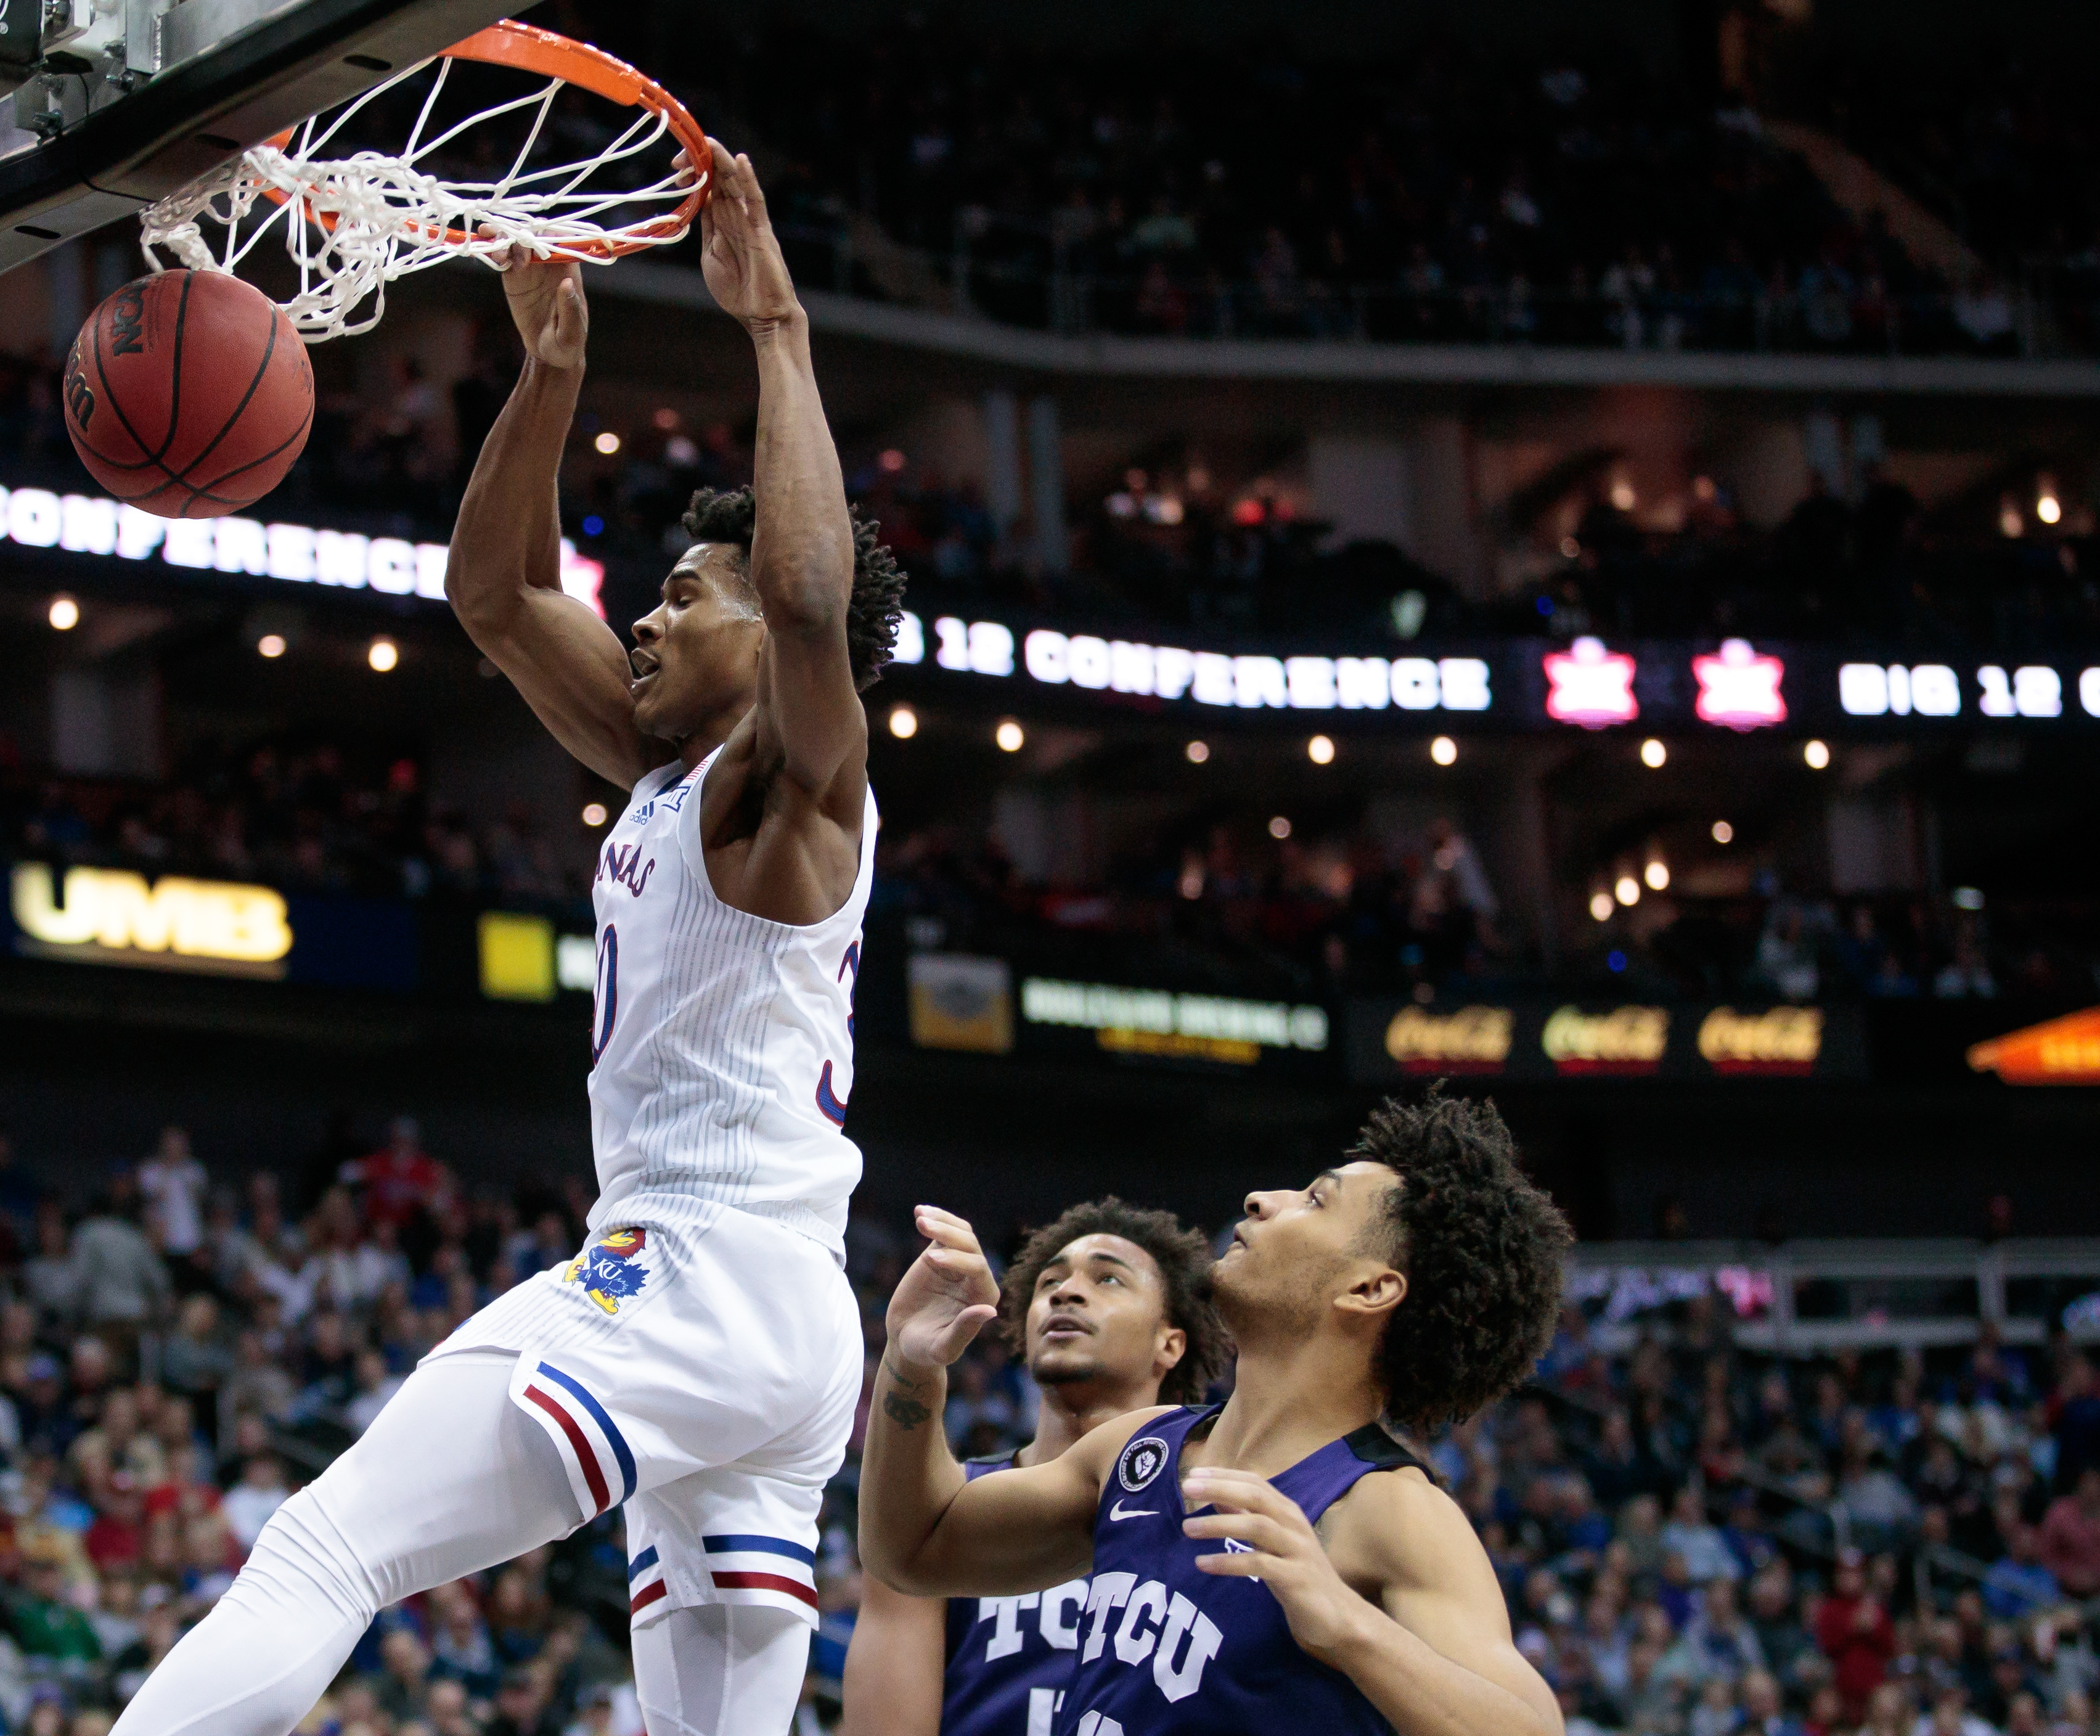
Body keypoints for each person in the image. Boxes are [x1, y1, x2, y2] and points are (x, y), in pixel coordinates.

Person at [107, 147, 907, 1736]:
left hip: (694, 1272)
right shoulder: (677, 775)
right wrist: (547, 372)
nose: (648, 617)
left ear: (757, 633)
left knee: (324, 1547)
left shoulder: (792, 792)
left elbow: (813, 614)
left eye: (685, 595)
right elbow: (491, 589)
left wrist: (778, 332)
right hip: (785, 1319)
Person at [860, 1091, 1574, 1736]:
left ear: (1368, 1287)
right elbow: (912, 1548)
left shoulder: (1387, 1509)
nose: (1262, 1198)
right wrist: (914, 1365)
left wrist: (1347, 1624)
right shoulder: (1135, 1449)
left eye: (1315, 1201)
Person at [843, 1200, 1228, 1736]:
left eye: (1109, 1280)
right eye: (1050, 1281)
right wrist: (912, 1361)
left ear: (1171, 1343)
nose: (1066, 1292)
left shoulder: (1217, 1517)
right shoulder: (933, 1517)